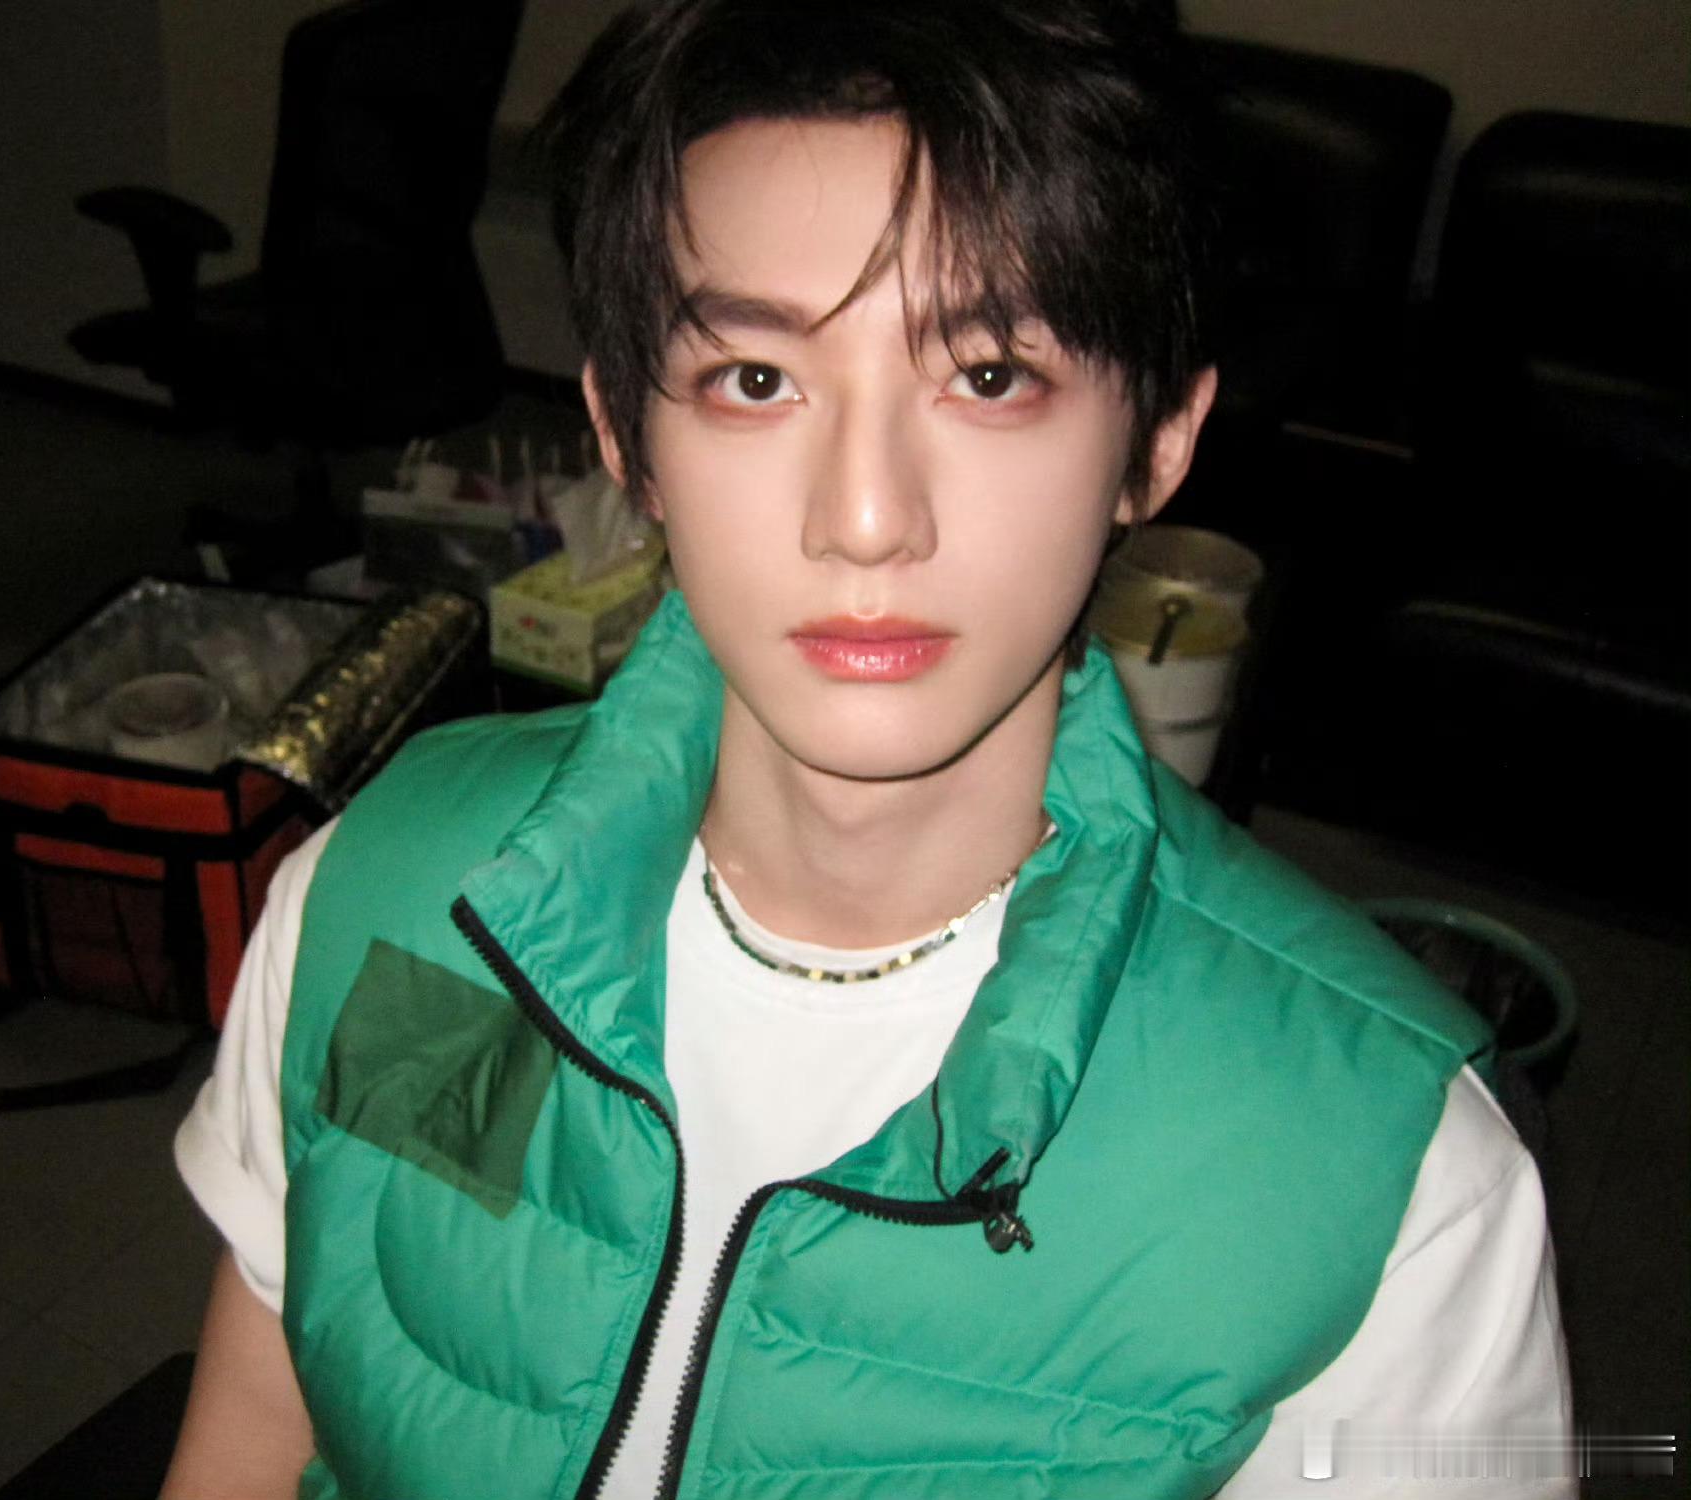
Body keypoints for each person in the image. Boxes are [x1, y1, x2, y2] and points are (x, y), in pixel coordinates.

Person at [162, 2, 1573, 1496]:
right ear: (627, 439)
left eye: (989, 377)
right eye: (755, 381)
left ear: (1157, 441)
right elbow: (267, 1402)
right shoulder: (384, 891)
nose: (867, 519)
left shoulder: (1390, 1184)